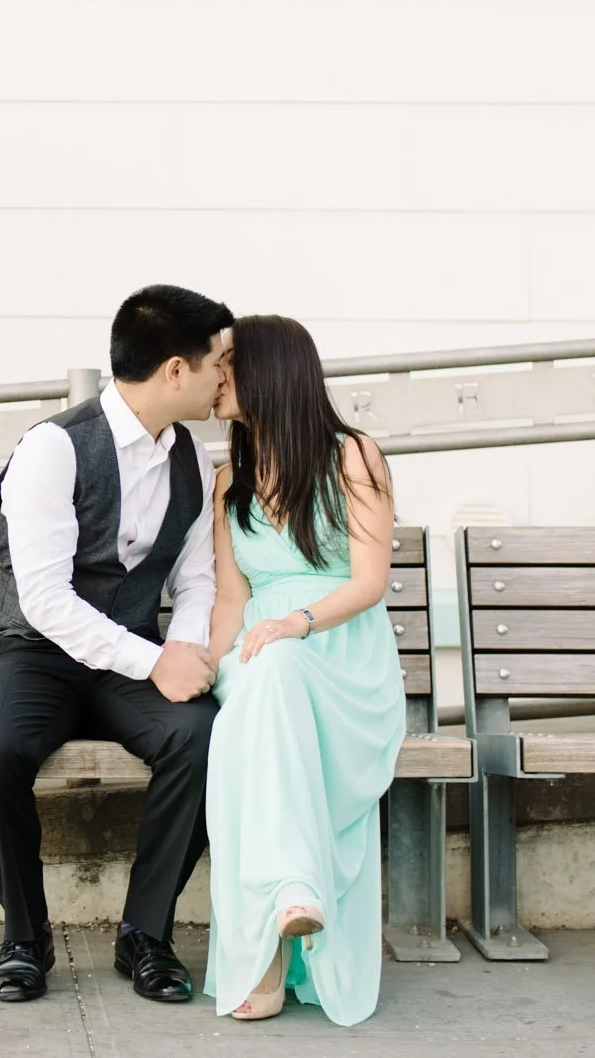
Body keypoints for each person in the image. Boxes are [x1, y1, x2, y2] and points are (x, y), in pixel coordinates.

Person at [0, 284, 233, 1003]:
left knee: (204, 739)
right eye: (220, 363)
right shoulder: (52, 448)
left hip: (128, 659)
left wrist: (189, 652)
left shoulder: (193, 462)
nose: (226, 379)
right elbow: (45, 598)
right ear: (176, 370)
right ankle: (25, 934)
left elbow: (196, 579)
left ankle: (147, 932)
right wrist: (155, 660)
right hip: (33, 651)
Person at [200, 315, 403, 1027]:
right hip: (258, 653)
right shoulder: (229, 479)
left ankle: (264, 959)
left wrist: (296, 623)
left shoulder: (353, 457)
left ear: (268, 371)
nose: (213, 376)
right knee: (251, 703)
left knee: (275, 677)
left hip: (340, 651)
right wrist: (208, 664)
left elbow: (369, 581)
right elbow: (231, 598)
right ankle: (291, 892)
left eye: (225, 364)